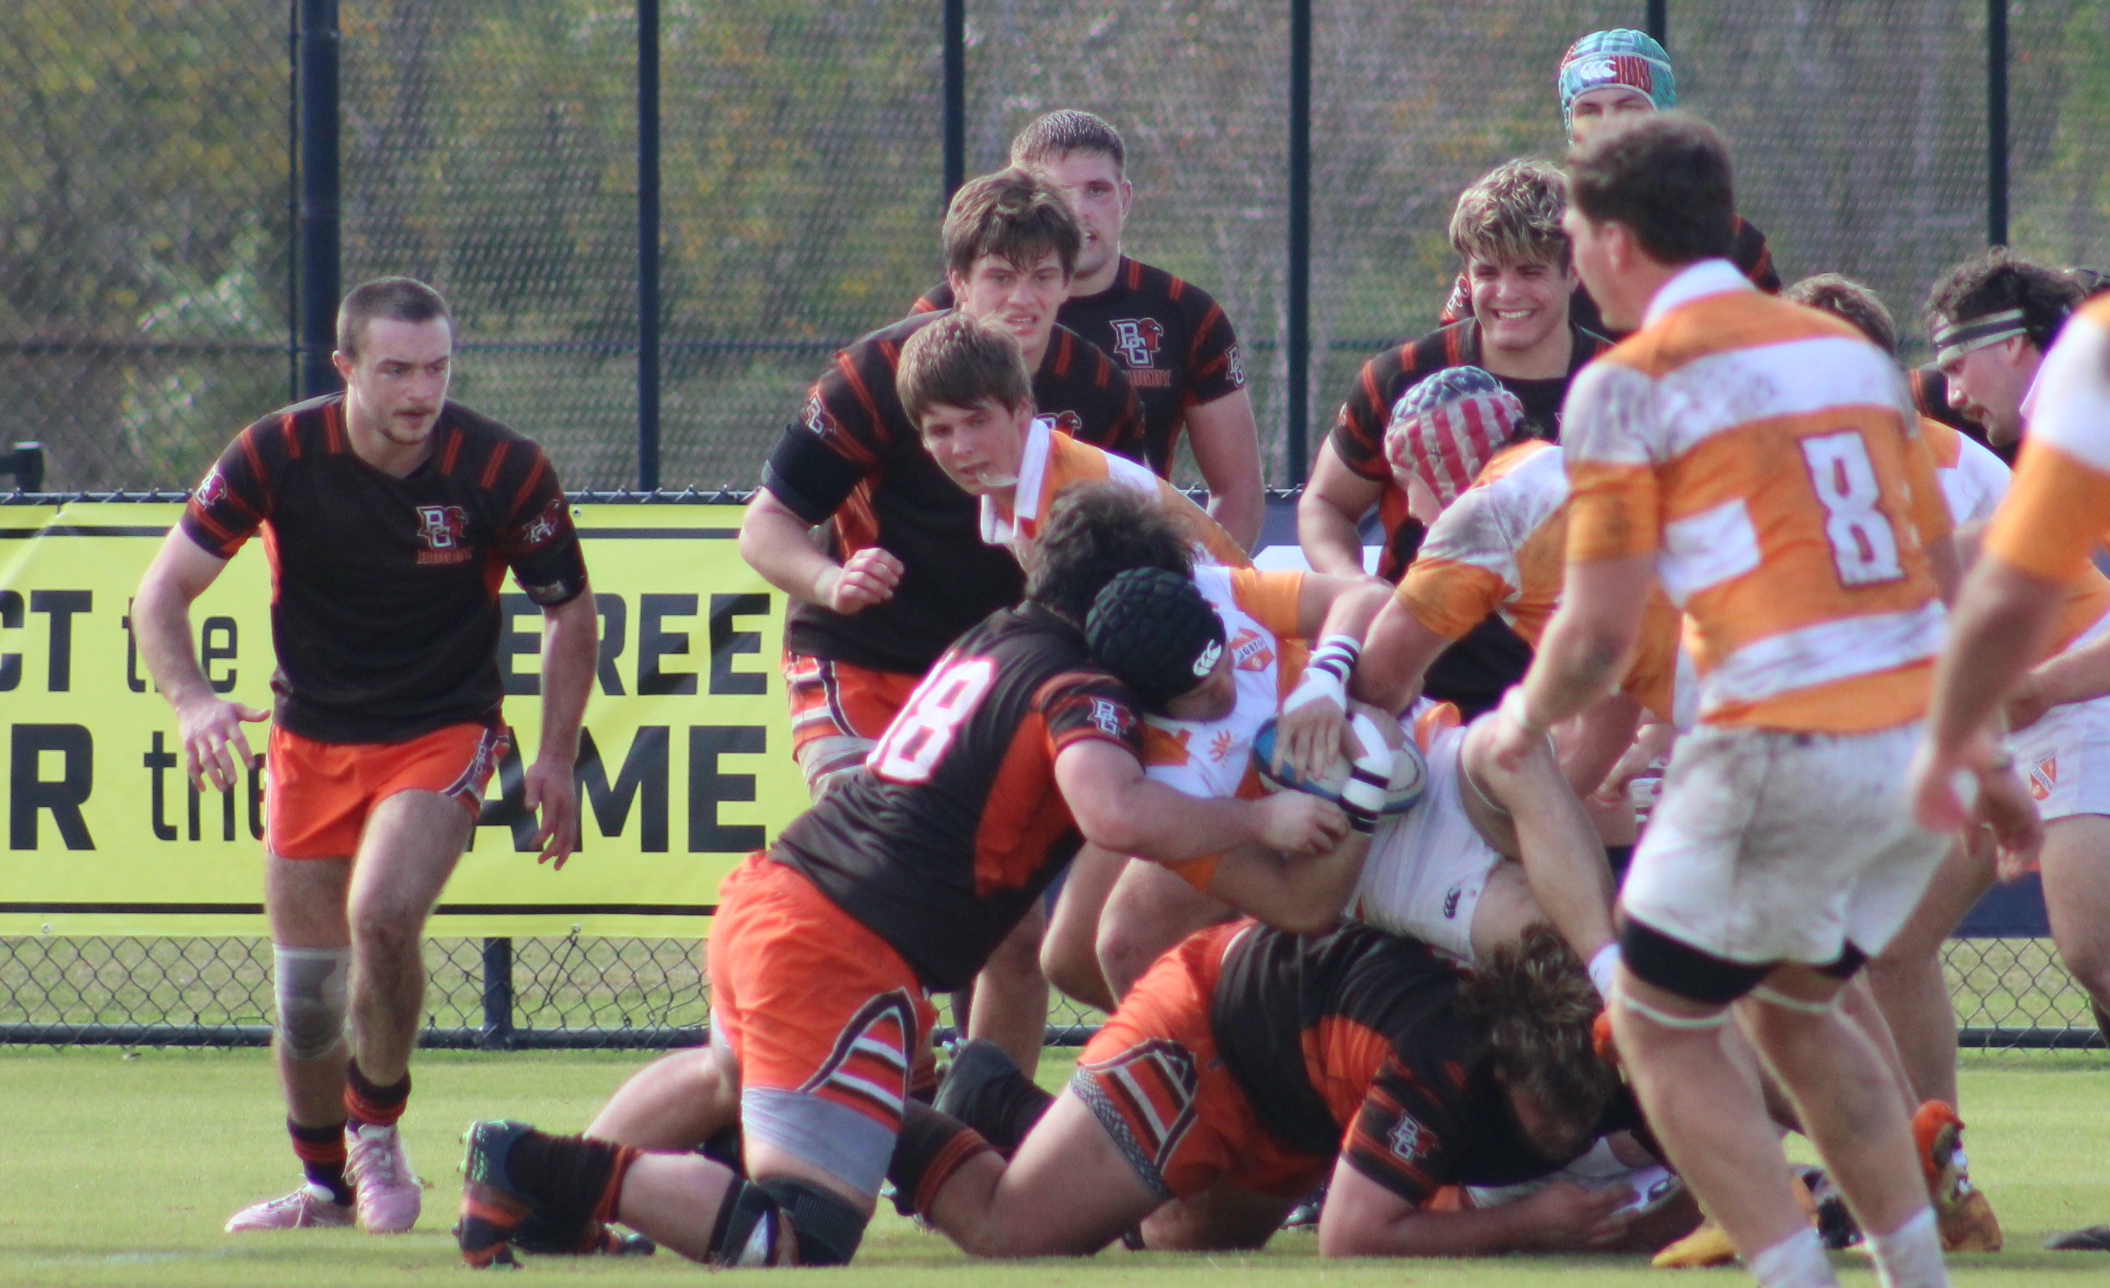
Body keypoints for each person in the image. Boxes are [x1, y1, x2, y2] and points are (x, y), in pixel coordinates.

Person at [454, 487, 1374, 1269]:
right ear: (1121, 597)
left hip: (781, 893)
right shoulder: (1079, 680)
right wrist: (1261, 816)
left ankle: (560, 1210)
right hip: (837, 944)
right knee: (802, 1235)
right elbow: (1113, 810)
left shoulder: (997, 636)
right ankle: (531, 1166)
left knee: (735, 1075)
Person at [1488, 113, 2013, 1288]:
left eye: (1572, 236)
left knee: (1654, 1022)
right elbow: (1938, 576)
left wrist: (1516, 728)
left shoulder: (1627, 382)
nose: (1572, 261)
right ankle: (1914, 1274)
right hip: (1904, 749)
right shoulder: (1848, 356)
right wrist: (1981, 750)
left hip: (1782, 738)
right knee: (1792, 1005)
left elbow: (1596, 635)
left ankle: (1792, 1273)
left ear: (1615, 239)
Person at [132, 277, 596, 1235]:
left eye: (436, 368)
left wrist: (553, 757)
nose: (420, 391)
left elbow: (569, 610)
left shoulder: (502, 466)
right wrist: (189, 704)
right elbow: (161, 592)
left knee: (382, 915)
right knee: (307, 1000)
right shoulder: (277, 449)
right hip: (309, 741)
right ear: (345, 368)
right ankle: (327, 1191)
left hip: (442, 732)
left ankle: (377, 1131)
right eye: (395, 370)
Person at [885, 922, 1694, 1258]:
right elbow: (1351, 1235)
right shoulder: (1439, 1062)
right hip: (1206, 1031)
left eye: (1577, 1120)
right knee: (1016, 1232)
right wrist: (1535, 1219)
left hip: (1300, 1106)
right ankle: (868, 1105)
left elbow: (1707, 1156)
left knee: (1174, 1240)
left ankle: (1003, 1107)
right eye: (1543, 1119)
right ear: (1503, 1064)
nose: (1563, 1137)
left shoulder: (1607, 1052)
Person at [1910, 289, 2110, 1255]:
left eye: (1963, 362)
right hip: (2031, 713)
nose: (1948, 388)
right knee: (1896, 939)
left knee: (2093, 949)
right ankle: (1934, 1196)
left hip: (2083, 706)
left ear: (2027, 348)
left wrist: (2038, 682)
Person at [1302, 162, 1610, 722]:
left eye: (1530, 270)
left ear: (1574, 272)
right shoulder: (1402, 375)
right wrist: (1352, 590)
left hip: (1566, 701)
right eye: (1487, 271)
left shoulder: (1626, 390)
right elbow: (1324, 503)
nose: (1506, 293)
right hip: (1412, 690)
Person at [913, 110, 1263, 548]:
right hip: (963, 573)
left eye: (1097, 190)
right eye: (1056, 193)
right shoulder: (946, 310)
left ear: (1126, 198)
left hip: (1112, 576)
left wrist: (1191, 588)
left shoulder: (1185, 313)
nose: (1078, 211)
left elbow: (1238, 487)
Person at [1435, 29, 1783, 340]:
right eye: (1589, 110)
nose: (1608, 126)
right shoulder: (1532, 229)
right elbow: (1452, 347)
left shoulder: (1733, 243)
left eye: (1627, 107)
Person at [894, 312, 1247, 573]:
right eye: (941, 431)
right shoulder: (1017, 484)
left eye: (978, 421)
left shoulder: (1074, 500)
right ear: (922, 438)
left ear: (1023, 410)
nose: (961, 448)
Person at [1924, 247, 2084, 453]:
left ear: (2011, 343)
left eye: (1956, 367)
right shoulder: (2072, 420)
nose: (1952, 398)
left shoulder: (2086, 431)